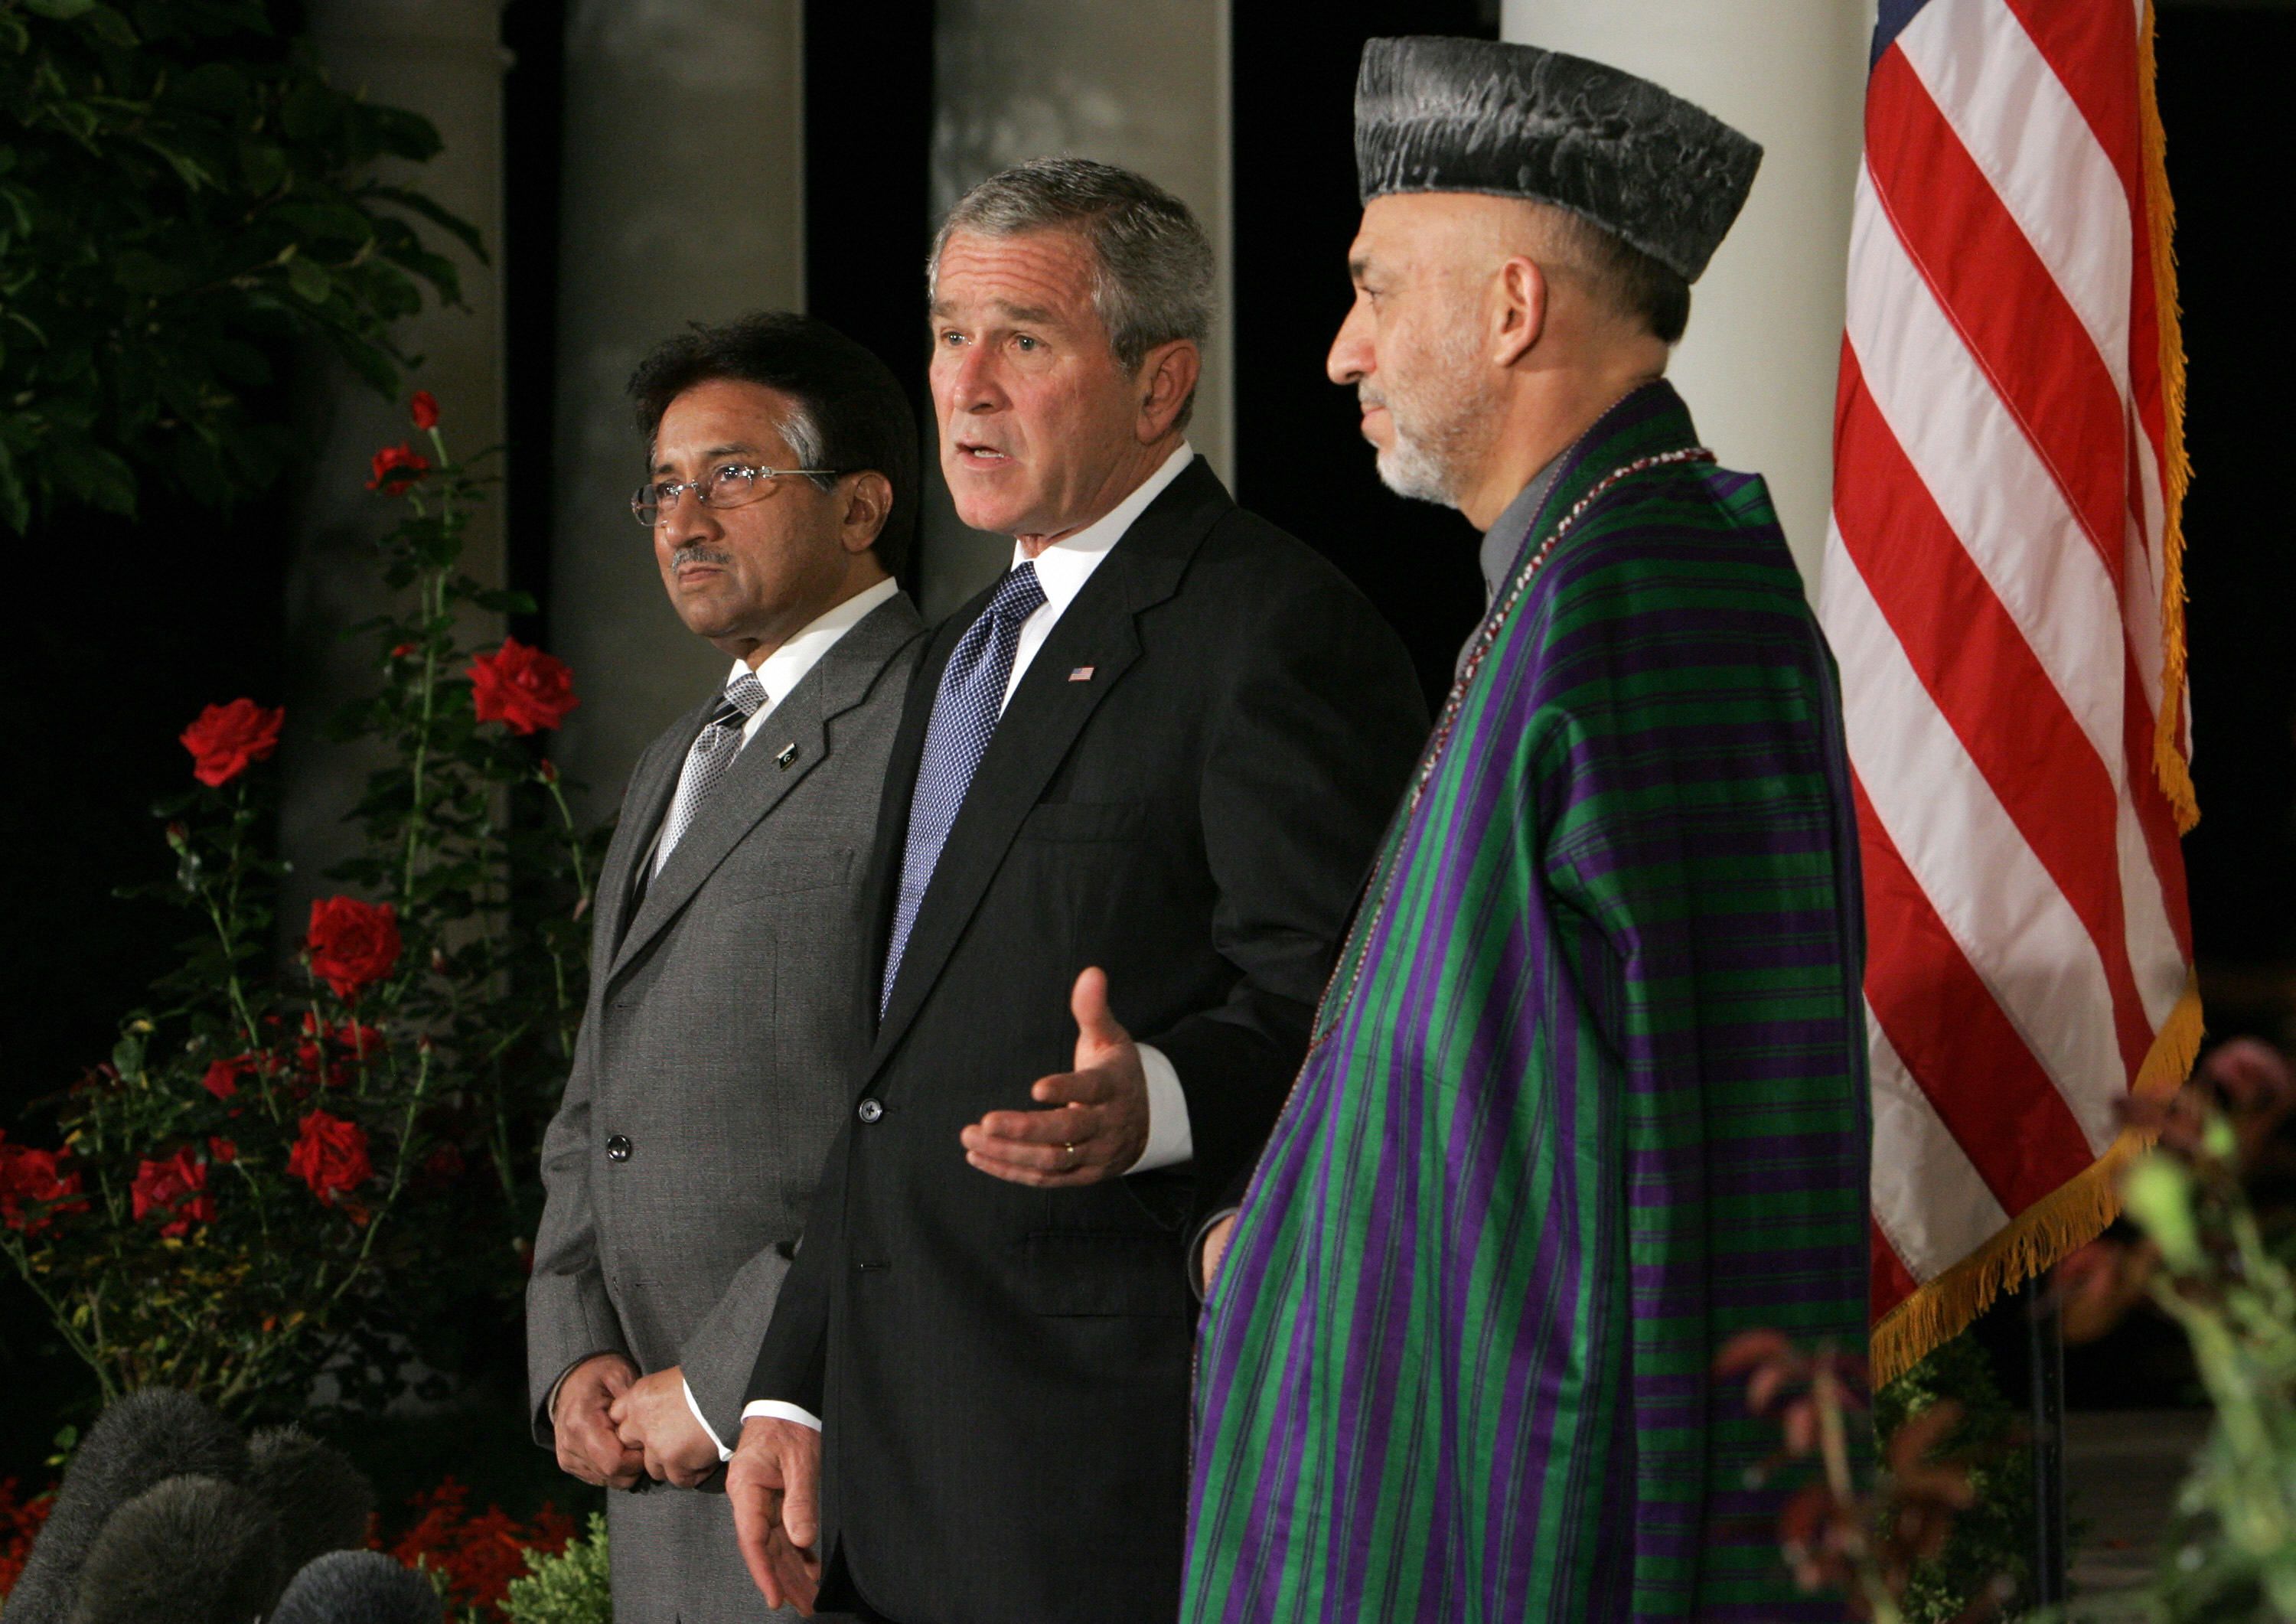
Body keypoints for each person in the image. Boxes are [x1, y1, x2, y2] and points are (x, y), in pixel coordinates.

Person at [1181, 37, 1873, 1623]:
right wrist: (1275, 1242)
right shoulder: (1576, 582)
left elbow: (1702, 1184)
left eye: (1374, 287)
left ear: (1511, 306)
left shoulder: (1655, 605)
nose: (1341, 350)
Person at [725, 158, 1428, 1624]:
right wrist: (793, 1385)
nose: (961, 387)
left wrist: (1159, 1099)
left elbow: (1347, 1012)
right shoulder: (957, 654)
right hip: (885, 1483)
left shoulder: (1273, 631)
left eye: (1022, 342)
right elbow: (889, 1073)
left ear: (1160, 381)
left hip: (1091, 1482)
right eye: (945, 333)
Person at [527, 311, 927, 1624]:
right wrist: (570, 1337)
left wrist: (723, 1375)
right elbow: (598, 1094)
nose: (682, 520)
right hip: (655, 1486)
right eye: (662, 487)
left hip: (823, 1459)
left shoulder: (939, 726)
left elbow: (922, 1104)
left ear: (862, 503)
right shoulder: (674, 760)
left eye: (734, 476)